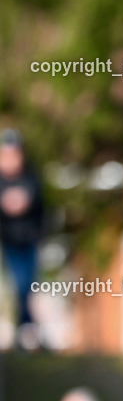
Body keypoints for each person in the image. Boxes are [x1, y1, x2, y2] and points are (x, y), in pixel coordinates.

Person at [0, 128, 46, 350]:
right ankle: (25, 331)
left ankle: (27, 332)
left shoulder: (31, 175)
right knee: (18, 286)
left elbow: (38, 202)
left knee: (28, 286)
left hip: (30, 239)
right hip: (8, 242)